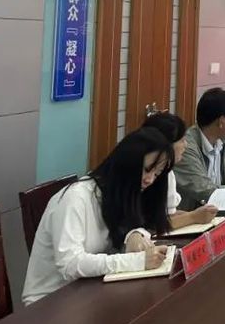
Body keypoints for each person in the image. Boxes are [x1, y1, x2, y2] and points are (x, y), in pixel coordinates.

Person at [22, 128, 173, 305]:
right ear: (127, 162)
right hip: (50, 303)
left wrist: (135, 234)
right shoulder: (76, 198)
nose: (150, 180)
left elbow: (134, 227)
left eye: (156, 174)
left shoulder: (121, 194)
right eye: (147, 170)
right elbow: (70, 264)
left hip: (90, 292)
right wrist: (137, 261)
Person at [142, 112, 219, 229]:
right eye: (182, 140)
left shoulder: (168, 172)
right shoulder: (142, 171)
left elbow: (169, 214)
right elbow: (154, 224)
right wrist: (193, 216)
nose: (186, 145)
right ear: (167, 143)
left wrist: (199, 214)